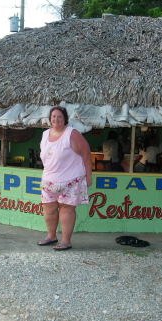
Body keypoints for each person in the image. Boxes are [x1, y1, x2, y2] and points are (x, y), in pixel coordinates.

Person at [37, 106, 92, 251]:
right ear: (50, 119)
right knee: (48, 208)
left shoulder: (72, 134)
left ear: (65, 119)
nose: (56, 119)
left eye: (59, 117)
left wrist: (89, 176)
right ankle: (51, 236)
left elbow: (86, 153)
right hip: (49, 180)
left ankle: (66, 241)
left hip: (70, 180)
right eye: (53, 116)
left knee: (66, 209)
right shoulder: (45, 134)